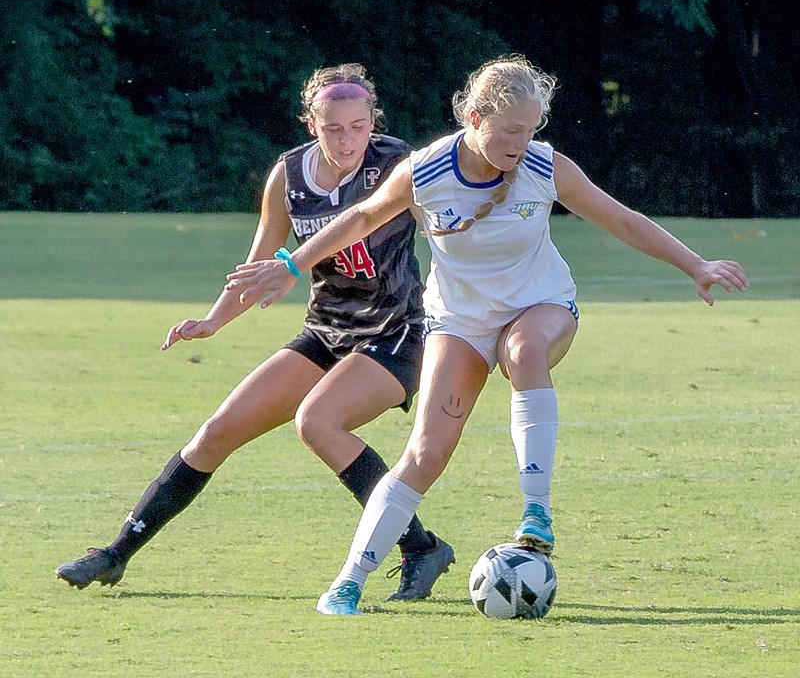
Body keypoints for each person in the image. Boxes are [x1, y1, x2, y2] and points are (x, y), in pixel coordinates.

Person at [225, 55, 749, 615]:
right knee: (424, 454)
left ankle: (536, 512)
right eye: (509, 130)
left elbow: (621, 219)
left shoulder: (546, 168)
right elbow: (357, 220)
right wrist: (291, 264)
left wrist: (695, 264)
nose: (521, 142)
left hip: (541, 304)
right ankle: (350, 580)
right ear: (474, 119)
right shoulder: (424, 171)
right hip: (459, 320)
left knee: (523, 351)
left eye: (529, 130)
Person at [55, 63, 455, 601]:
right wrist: (213, 319)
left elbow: (442, 226)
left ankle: (417, 547)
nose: (348, 139)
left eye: (359, 126)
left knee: (319, 421)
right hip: (325, 332)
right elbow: (260, 263)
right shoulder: (288, 176)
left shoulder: (396, 163)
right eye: (333, 128)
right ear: (311, 124)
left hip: (396, 333)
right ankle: (115, 553)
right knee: (218, 430)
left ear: (372, 121)